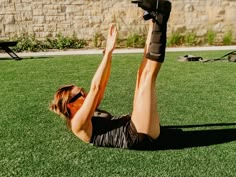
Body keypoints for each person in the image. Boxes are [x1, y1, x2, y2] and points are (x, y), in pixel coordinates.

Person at [49, 0, 171, 150]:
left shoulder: (88, 109)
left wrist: (110, 55)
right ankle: (161, 15)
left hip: (133, 124)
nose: (84, 92)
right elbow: (95, 87)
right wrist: (107, 52)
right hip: (136, 134)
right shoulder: (77, 123)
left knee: (141, 74)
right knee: (147, 77)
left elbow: (101, 87)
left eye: (82, 90)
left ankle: (153, 18)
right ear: (71, 104)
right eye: (80, 93)